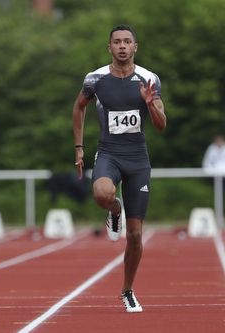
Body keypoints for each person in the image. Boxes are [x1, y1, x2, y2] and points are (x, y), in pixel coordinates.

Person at [72, 24, 166, 313]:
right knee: (101, 193)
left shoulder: (149, 79)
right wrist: (79, 148)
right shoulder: (95, 79)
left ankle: (127, 290)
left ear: (135, 47)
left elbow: (161, 126)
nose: (122, 46)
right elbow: (79, 108)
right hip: (109, 153)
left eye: (127, 42)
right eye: (117, 42)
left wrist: (150, 105)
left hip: (137, 159)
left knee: (135, 235)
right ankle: (115, 210)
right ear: (109, 47)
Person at [202, 134, 225, 220]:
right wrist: (211, 172)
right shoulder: (211, 149)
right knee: (216, 196)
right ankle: (217, 215)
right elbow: (206, 163)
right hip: (215, 176)